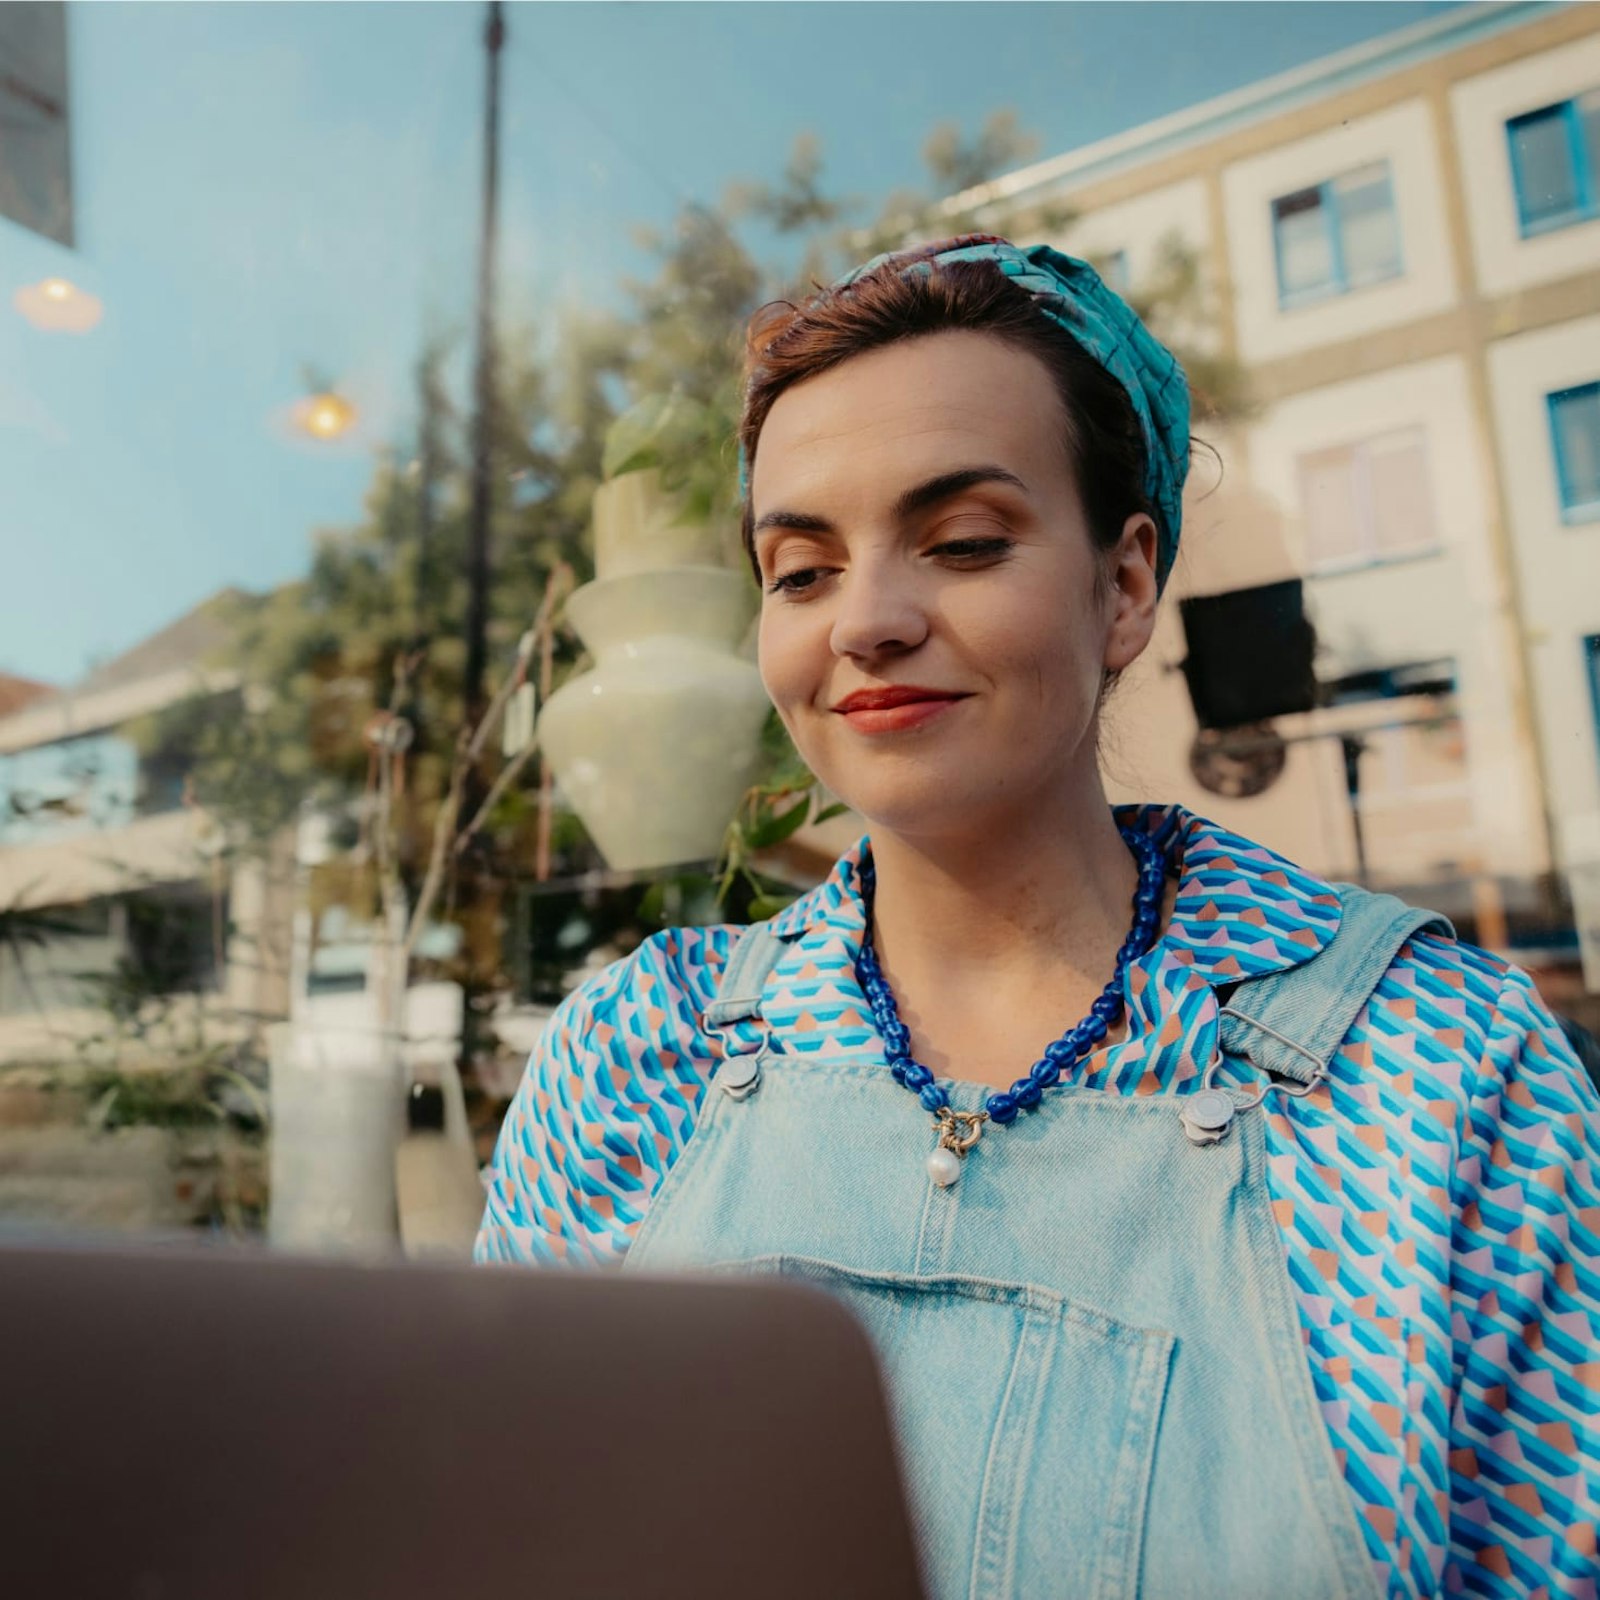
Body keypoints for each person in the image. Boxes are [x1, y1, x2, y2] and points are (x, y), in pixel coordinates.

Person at [476, 236, 1599, 1600]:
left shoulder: (1437, 1070)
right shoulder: (632, 1057)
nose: (866, 622)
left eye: (959, 543)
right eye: (800, 570)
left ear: (1122, 586)